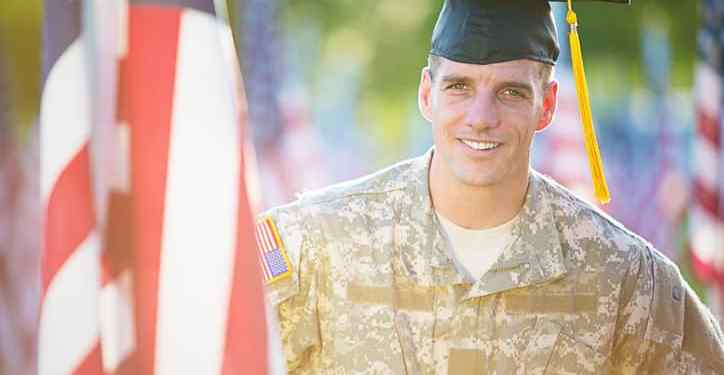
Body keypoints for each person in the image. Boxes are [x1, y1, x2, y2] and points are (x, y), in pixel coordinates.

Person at [256, 0, 724, 373]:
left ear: (547, 106)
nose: (481, 117)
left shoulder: (623, 276)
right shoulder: (313, 245)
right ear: (426, 94)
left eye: (511, 92)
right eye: (459, 86)